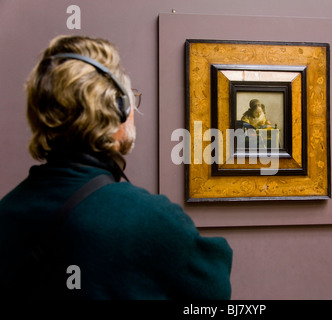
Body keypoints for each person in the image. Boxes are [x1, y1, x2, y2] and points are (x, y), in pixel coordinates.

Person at [0, 35, 232, 299]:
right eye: (130, 98)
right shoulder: (151, 219)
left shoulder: (7, 211)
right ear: (118, 108)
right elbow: (213, 291)